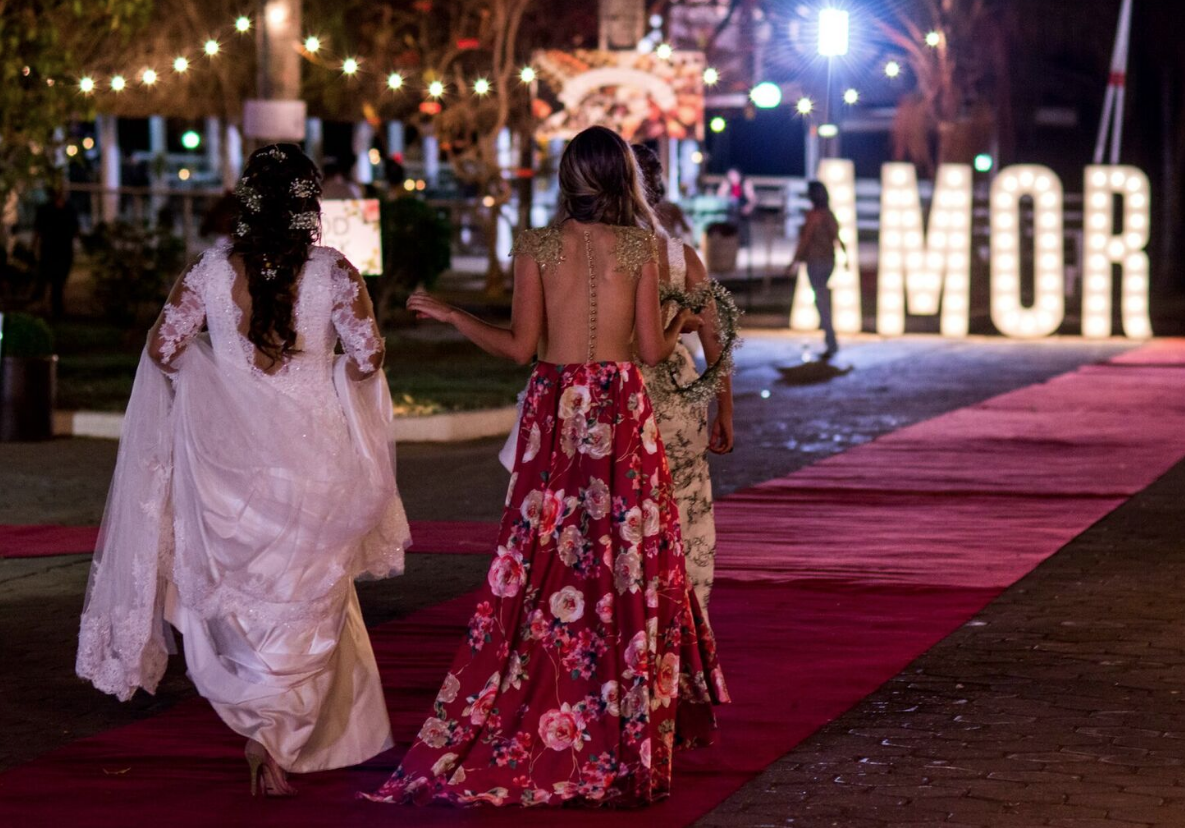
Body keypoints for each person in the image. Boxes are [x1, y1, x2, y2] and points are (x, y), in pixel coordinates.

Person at [365, 126, 729, 808]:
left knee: (544, 565)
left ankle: (544, 708)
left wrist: (453, 314)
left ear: (567, 178)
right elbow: (652, 353)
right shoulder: (640, 247)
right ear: (623, 177)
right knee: (624, 563)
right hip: (620, 411)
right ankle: (622, 736)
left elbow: (518, 348)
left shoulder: (535, 246)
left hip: (559, 410)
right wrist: (679, 322)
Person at [76, 143, 410, 798]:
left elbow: (162, 348)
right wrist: (327, 368)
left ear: (247, 204)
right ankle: (275, 732)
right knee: (308, 596)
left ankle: (258, 719)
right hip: (313, 460)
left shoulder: (208, 271)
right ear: (309, 207)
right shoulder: (334, 272)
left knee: (242, 600)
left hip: (227, 465)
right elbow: (369, 357)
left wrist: (220, 380)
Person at [632, 144, 734, 622]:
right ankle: (686, 617)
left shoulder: (591, 256)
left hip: (615, 394)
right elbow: (714, 337)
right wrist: (725, 409)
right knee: (684, 508)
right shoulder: (679, 257)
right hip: (673, 397)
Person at [790, 180, 846, 359]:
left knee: (821, 300)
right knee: (822, 298)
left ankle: (831, 339)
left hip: (815, 261)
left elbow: (805, 239)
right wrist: (846, 257)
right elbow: (837, 237)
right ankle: (830, 337)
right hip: (829, 261)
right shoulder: (829, 214)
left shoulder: (813, 216)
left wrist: (794, 260)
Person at [33, 186, 79, 319]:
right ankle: (51, 307)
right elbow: (38, 230)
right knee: (51, 279)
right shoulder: (47, 209)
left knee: (58, 280)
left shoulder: (68, 209)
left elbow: (75, 229)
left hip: (61, 249)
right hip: (51, 249)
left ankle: (55, 307)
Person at [716, 167, 756, 249]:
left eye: (734, 175)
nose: (733, 177)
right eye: (731, 175)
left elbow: (752, 199)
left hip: (743, 207)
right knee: (727, 215)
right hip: (731, 208)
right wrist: (724, 188)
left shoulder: (745, 183)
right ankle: (728, 239)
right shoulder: (728, 184)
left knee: (737, 216)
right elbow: (719, 196)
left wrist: (749, 207)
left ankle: (741, 241)